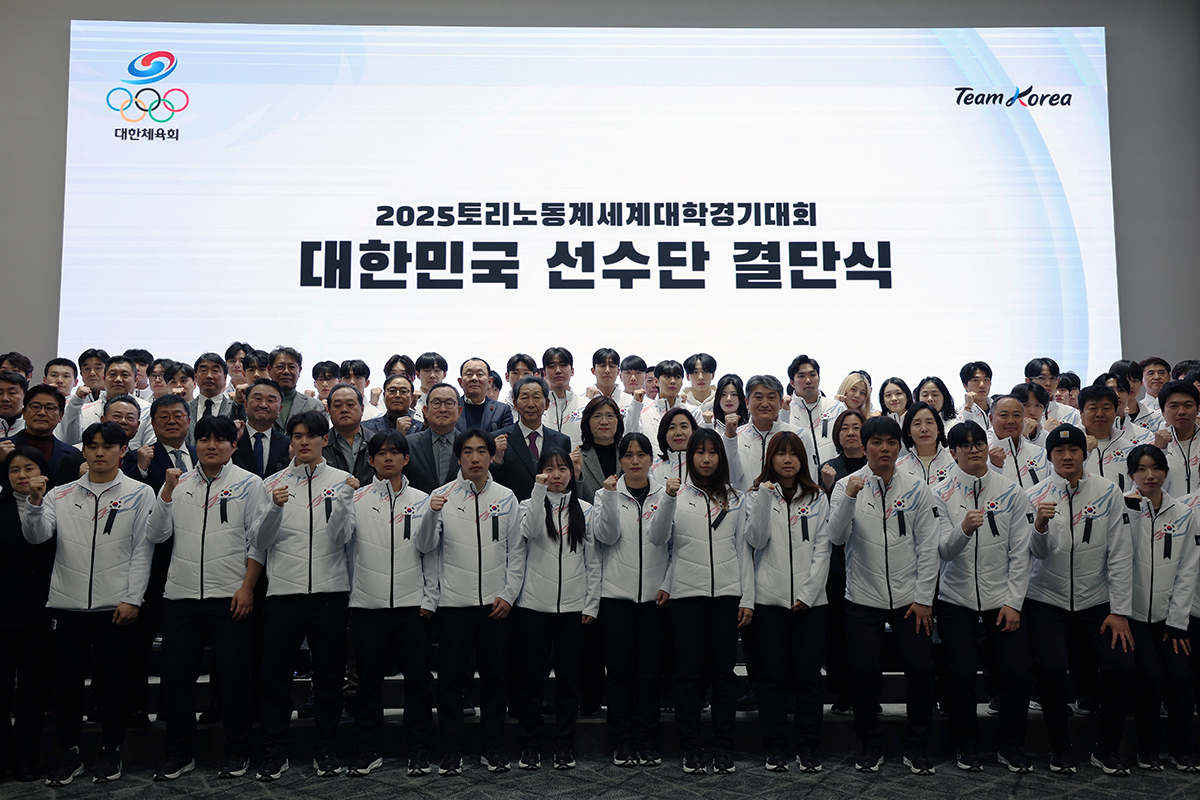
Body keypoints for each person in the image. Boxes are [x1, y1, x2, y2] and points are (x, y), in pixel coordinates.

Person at [23, 422, 155, 786]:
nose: (99, 452)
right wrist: (33, 503)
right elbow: (36, 537)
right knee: (65, 686)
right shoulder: (59, 495)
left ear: (122, 451)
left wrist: (133, 599)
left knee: (114, 685)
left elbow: (143, 551)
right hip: (66, 606)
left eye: (107, 446)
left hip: (116, 608)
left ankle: (111, 751)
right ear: (83, 450)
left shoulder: (140, 493)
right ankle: (70, 754)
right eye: (92, 446)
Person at [147, 416, 267, 781]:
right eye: (204, 439)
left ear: (233, 445)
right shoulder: (177, 482)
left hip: (229, 596)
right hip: (181, 596)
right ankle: (179, 753)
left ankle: (238, 751)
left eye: (220, 439)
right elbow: (156, 534)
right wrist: (165, 493)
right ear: (194, 444)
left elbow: (258, 542)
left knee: (234, 679)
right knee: (177, 680)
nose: (211, 445)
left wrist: (247, 587)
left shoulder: (250, 483)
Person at [829, 416, 942, 775]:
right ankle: (870, 744)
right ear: (864, 448)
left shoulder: (916, 487)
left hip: (912, 600)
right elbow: (835, 536)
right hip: (862, 598)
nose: (884, 449)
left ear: (899, 447)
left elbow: (928, 546)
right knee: (863, 672)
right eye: (876, 443)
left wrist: (924, 598)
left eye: (891, 443)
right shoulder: (847, 485)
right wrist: (848, 498)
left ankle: (917, 744)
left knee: (922, 670)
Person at [1023, 424, 1135, 776]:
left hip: (1096, 602)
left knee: (1121, 667)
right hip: (1046, 600)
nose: (1067, 457)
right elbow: (1035, 554)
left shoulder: (1107, 492)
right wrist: (1040, 526)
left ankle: (1106, 749)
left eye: (1073, 452)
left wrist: (1119, 611)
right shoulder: (1035, 495)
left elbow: (1119, 553)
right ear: (1050, 456)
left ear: (1084, 455)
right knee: (1053, 670)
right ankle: (1061, 749)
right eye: (1059, 452)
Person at [253, 410, 357, 781]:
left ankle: (326, 749)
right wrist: (274, 509)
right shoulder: (271, 485)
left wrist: (345, 499)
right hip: (283, 593)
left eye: (311, 436)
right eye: (297, 436)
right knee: (276, 677)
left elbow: (344, 539)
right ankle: (275, 751)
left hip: (330, 593)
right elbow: (259, 543)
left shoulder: (345, 481)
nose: (303, 442)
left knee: (329, 678)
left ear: (323, 440)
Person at [932, 421, 1038, 773]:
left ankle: (1010, 744)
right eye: (965, 445)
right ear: (953, 452)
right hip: (955, 598)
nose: (974, 449)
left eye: (979, 443)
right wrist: (963, 530)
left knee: (1018, 673)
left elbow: (1021, 552)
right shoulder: (940, 493)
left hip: (1001, 599)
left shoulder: (1011, 491)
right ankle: (966, 744)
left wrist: (1013, 602)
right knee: (961, 674)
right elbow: (943, 551)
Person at [653, 428, 753, 775]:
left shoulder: (737, 498)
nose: (707, 458)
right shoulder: (676, 496)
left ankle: (723, 746)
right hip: (686, 597)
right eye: (700, 452)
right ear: (690, 457)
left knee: (723, 675)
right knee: (688, 675)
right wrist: (666, 498)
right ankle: (691, 745)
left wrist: (748, 598)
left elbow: (744, 550)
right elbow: (658, 539)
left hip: (726, 596)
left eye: (712, 452)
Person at [345, 430, 440, 777]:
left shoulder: (423, 500)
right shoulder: (355, 500)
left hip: (413, 605)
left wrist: (430, 596)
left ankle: (419, 749)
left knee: (418, 680)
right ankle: (367, 750)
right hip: (368, 606)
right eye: (380, 453)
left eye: (394, 452)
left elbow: (431, 553)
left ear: (406, 458)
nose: (388, 458)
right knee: (368, 682)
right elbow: (343, 548)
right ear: (370, 460)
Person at [428, 429, 522, 776]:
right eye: (468, 451)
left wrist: (509, 594)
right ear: (458, 457)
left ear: (490, 456)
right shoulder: (440, 496)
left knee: (496, 679)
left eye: (482, 451)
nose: (475, 457)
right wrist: (431, 514)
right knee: (451, 681)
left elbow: (517, 552)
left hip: (496, 604)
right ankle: (452, 750)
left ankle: (493, 748)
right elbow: (426, 549)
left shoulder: (507, 497)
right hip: (454, 603)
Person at [746, 431, 831, 773]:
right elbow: (755, 540)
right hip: (769, 601)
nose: (786, 460)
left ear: (802, 458)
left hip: (811, 603)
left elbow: (824, 548)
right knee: (773, 676)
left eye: (792, 453)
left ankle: (808, 745)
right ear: (770, 459)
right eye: (779, 453)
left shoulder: (816, 497)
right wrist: (765, 499)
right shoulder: (755, 496)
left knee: (810, 676)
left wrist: (808, 594)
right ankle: (775, 746)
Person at [514, 449, 600, 771]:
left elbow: (594, 562)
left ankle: (565, 744)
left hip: (574, 609)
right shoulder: (528, 506)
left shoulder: (586, 511)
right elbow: (532, 531)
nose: (556, 475)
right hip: (535, 606)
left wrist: (591, 603)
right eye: (549, 469)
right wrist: (538, 491)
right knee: (533, 680)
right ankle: (531, 745)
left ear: (571, 473)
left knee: (568, 682)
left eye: (562, 468)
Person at [593, 432, 671, 769]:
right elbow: (605, 536)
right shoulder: (604, 494)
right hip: (617, 597)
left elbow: (671, 544)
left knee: (650, 673)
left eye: (642, 454)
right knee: (620, 673)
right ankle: (622, 740)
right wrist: (610, 497)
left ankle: (647, 738)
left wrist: (666, 584)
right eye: (629, 455)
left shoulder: (667, 493)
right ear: (620, 460)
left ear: (652, 459)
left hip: (655, 598)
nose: (635, 461)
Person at [1123, 444, 1200, 772]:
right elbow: (1117, 562)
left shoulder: (1184, 513)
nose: (1149, 475)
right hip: (1134, 616)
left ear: (1166, 473)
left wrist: (1178, 622)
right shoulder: (1123, 509)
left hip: (1170, 617)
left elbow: (1188, 571)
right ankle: (1149, 750)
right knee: (1150, 676)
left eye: (1155, 468)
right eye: (1141, 469)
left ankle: (1183, 750)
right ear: (1131, 475)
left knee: (1180, 677)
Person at [0, 448, 54, 782]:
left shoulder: (58, 503)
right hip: (2, 612)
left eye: (28, 468)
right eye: (14, 470)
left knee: (33, 692)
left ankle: (26, 761)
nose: (21, 475)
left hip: (40, 612)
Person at [491, 375, 571, 501]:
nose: (531, 404)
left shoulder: (562, 441)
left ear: (547, 404)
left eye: (537, 397)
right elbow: (491, 484)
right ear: (515, 404)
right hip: (513, 512)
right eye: (524, 398)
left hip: (551, 513)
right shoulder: (498, 439)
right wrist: (496, 461)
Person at [732, 375, 809, 489]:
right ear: (747, 403)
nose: (764, 403)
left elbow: (808, 480)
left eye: (771, 398)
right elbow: (730, 478)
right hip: (745, 505)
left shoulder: (799, 436)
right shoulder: (734, 437)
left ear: (781, 403)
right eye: (758, 397)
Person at [0, 384, 85, 486]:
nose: (42, 413)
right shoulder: (2, 448)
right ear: (24, 413)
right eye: (35, 407)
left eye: (50, 408)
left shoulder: (73, 455)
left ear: (61, 416)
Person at [63, 355, 154, 448]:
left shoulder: (149, 410)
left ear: (136, 380)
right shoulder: (85, 411)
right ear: (104, 379)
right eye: (113, 374)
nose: (118, 379)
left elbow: (150, 448)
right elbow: (70, 442)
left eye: (125, 375)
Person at [1079, 384, 1149, 491]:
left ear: (1115, 412)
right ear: (1081, 413)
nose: (1100, 414)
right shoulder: (1069, 447)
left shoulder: (1129, 450)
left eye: (1106, 408)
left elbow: (1138, 488)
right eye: (1093, 408)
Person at [404, 383, 463, 494]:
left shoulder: (468, 444)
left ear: (459, 411)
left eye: (449, 403)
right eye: (436, 403)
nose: (442, 409)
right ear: (425, 410)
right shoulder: (409, 444)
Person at [784, 354, 842, 458]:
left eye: (812, 375)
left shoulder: (836, 407)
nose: (808, 380)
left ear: (819, 378)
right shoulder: (787, 411)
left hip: (834, 472)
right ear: (792, 383)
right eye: (801, 376)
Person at [232, 378, 291, 478]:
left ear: (280, 409)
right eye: (258, 399)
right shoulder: (231, 438)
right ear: (245, 405)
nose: (263, 405)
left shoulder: (287, 444)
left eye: (271, 400)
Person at [987, 395, 1048, 489]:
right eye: (1004, 415)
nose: (1011, 421)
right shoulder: (981, 455)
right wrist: (994, 467)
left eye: (1016, 415)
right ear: (991, 419)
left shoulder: (1041, 454)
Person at [628, 360, 698, 439]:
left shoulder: (694, 412)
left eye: (677, 377)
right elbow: (630, 436)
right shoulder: (643, 412)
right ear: (656, 382)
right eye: (667, 377)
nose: (673, 381)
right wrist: (635, 405)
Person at [1154, 380, 1200, 497]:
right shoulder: (1149, 447)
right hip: (1169, 514)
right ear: (1162, 411)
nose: (1181, 412)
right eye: (1173, 406)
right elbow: (1148, 490)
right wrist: (1158, 452)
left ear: (1198, 408)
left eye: (1188, 405)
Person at [322, 383, 374, 484]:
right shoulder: (321, 445)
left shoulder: (376, 442)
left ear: (362, 409)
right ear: (329, 411)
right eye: (337, 406)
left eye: (350, 405)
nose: (344, 410)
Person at [577, 395, 624, 504]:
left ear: (618, 420)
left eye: (610, 416)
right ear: (587, 421)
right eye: (597, 416)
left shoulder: (628, 454)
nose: (604, 422)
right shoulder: (578, 457)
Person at [268, 347, 325, 434]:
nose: (286, 371)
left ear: (299, 370)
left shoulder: (314, 406)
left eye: (292, 367)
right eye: (280, 367)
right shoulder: (258, 403)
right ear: (269, 370)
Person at [896, 402, 954, 486]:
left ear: (939, 429)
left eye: (929, 423)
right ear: (909, 431)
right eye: (917, 424)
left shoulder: (955, 462)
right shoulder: (899, 467)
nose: (924, 429)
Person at [187, 353, 242, 441]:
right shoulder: (185, 409)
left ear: (225, 377)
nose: (209, 376)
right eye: (204, 370)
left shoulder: (234, 408)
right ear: (195, 376)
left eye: (215, 371)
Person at [455, 358, 513, 434]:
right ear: (460, 382)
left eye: (480, 374)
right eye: (469, 374)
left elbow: (507, 440)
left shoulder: (502, 410)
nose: (474, 378)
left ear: (489, 382)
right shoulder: (452, 408)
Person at [542, 347, 584, 446]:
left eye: (563, 365)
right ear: (544, 373)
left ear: (572, 371)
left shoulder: (586, 405)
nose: (558, 371)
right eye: (552, 366)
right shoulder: (538, 406)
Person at [1024, 358, 1082, 427]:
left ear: (1057, 381)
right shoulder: (1018, 411)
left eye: (1052, 378)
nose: (1048, 383)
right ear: (1028, 381)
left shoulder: (1072, 413)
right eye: (1042, 378)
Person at [651, 406, 697, 487]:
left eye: (684, 426)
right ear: (664, 434)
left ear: (693, 431)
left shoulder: (702, 465)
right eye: (672, 428)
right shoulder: (653, 468)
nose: (678, 433)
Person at [586, 348, 634, 412]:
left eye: (612, 366)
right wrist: (587, 401)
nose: (607, 370)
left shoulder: (630, 401)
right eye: (602, 366)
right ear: (593, 370)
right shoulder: (584, 400)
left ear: (618, 371)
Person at [958, 362, 993, 430]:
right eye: (975, 380)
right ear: (965, 386)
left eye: (986, 380)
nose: (982, 385)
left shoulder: (997, 408)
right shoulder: (958, 413)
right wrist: (968, 409)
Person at [0, 370, 26, 438]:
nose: (4, 398)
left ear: (25, 396)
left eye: (12, 393)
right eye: (0, 393)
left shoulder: (35, 422)